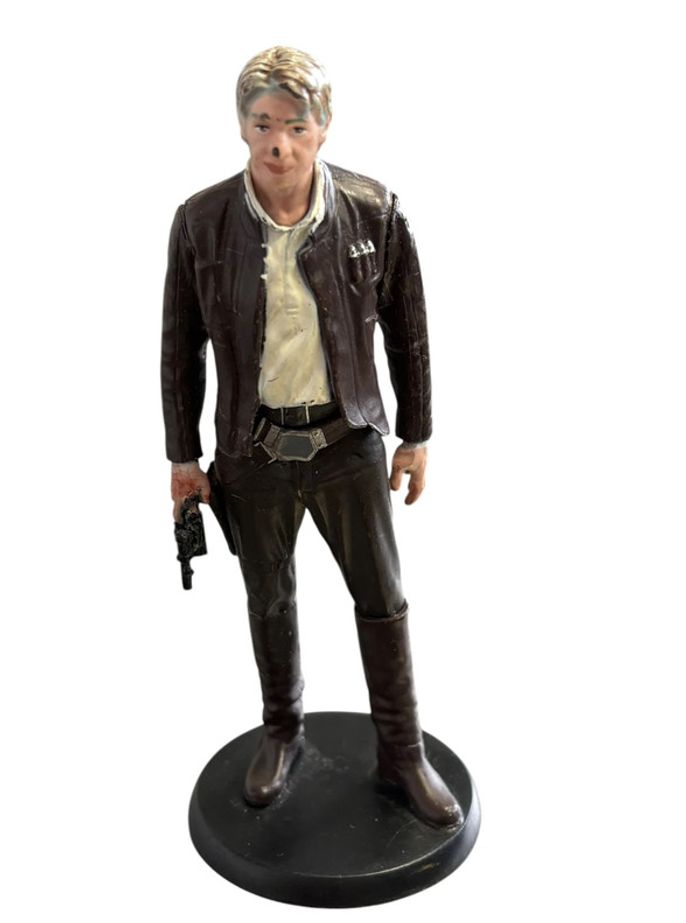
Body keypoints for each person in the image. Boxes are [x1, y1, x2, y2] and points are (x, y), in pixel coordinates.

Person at [161, 46, 462, 828]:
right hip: (252, 448)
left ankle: (402, 750)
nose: (279, 145)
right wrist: (183, 456)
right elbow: (179, 345)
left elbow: (409, 332)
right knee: (268, 597)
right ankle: (282, 731)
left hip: (346, 441)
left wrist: (416, 434)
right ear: (241, 126)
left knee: (383, 598)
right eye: (263, 123)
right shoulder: (201, 221)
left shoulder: (373, 211)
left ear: (324, 127)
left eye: (296, 125)